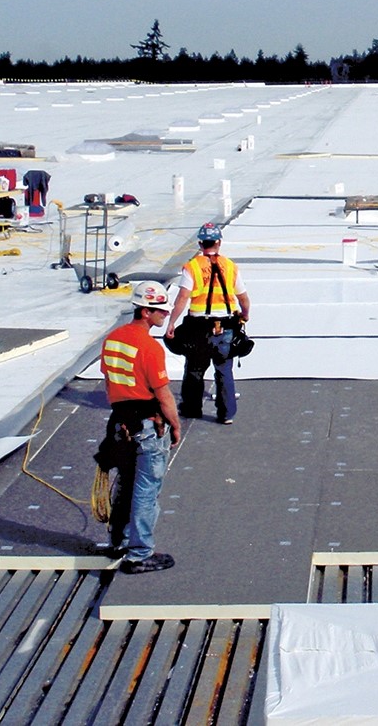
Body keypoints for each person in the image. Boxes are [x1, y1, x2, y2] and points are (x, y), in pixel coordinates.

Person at [97, 281, 183, 574]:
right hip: (147, 425)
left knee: (125, 484)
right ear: (145, 311)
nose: (165, 314)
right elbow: (163, 395)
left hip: (121, 423)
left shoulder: (113, 339)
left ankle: (118, 542)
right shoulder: (149, 347)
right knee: (146, 489)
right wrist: (175, 425)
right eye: (160, 310)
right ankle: (140, 553)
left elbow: (109, 378)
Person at [166, 222, 251, 424]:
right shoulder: (230, 267)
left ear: (200, 243)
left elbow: (182, 298)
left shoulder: (192, 267)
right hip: (227, 326)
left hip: (199, 328)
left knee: (195, 369)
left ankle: (191, 408)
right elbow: (244, 298)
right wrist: (245, 315)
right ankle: (226, 413)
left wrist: (171, 323)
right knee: (224, 370)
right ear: (219, 242)